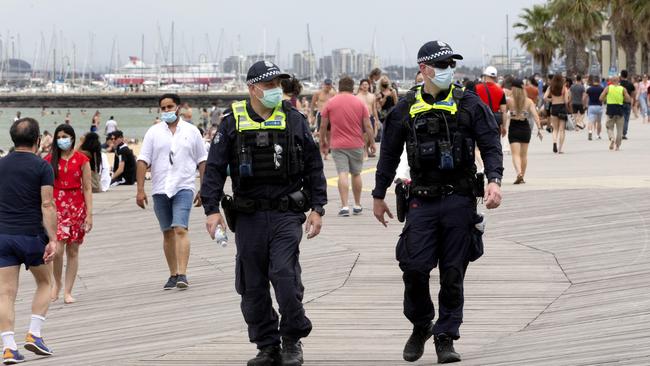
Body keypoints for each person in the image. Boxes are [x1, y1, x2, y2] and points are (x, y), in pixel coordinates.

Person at [372, 40, 503, 364]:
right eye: (441, 65)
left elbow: (490, 143)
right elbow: (388, 153)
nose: (448, 70)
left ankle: (446, 336)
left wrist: (494, 181)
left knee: (453, 273)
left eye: (450, 65)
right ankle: (421, 324)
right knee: (414, 267)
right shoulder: (405, 107)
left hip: (459, 199)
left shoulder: (469, 103)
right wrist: (378, 194)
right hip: (421, 200)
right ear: (424, 69)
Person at [201, 60, 327, 366]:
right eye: (269, 85)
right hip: (248, 216)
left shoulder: (293, 118)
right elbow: (215, 167)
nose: (275, 90)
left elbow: (313, 164)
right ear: (252, 88)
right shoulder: (232, 121)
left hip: (286, 213)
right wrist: (211, 209)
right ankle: (267, 345)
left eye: (278, 85)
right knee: (252, 285)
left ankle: (292, 338)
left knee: (284, 275)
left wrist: (318, 208)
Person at [0, 118, 57, 364]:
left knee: (5, 293)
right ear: (37, 140)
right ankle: (34, 333)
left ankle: (9, 347)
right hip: (32, 236)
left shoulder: (1, 164)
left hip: (3, 236)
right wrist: (53, 239)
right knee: (46, 282)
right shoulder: (42, 166)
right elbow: (47, 204)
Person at [136, 93, 208, 290]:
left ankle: (183, 273)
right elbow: (143, 160)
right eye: (164, 108)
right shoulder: (153, 132)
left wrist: (204, 188)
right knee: (167, 232)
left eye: (170, 107)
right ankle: (173, 273)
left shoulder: (192, 131)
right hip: (160, 188)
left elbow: (202, 161)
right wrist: (140, 189)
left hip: (183, 185)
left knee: (180, 228)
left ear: (178, 107)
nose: (167, 111)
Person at [44, 124, 93, 304]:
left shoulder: (82, 160)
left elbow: (87, 188)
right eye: (59, 137)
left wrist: (90, 214)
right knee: (57, 250)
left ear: (72, 137)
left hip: (77, 206)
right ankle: (56, 284)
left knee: (73, 250)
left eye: (65, 136)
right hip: (57, 206)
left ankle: (68, 290)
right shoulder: (50, 159)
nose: (61, 140)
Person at [320, 76, 375, 217]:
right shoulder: (360, 102)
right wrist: (373, 143)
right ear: (352, 87)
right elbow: (368, 125)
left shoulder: (330, 103)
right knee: (356, 174)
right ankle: (357, 204)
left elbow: (323, 125)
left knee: (342, 173)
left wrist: (323, 142)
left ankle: (344, 206)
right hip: (356, 143)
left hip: (338, 144)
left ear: (339, 87)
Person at [504, 79, 542, 184]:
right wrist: (539, 128)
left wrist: (502, 126)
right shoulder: (529, 101)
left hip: (514, 127)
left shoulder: (509, 100)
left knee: (515, 154)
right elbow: (535, 115)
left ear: (513, 88)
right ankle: (522, 176)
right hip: (525, 128)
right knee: (524, 155)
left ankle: (519, 173)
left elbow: (503, 113)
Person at [600, 76, 632, 151]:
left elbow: (600, 98)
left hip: (610, 110)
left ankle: (611, 138)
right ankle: (617, 146)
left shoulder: (608, 88)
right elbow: (628, 99)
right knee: (620, 129)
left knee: (609, 126)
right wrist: (622, 98)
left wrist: (606, 98)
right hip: (620, 110)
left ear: (611, 81)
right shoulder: (623, 89)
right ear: (618, 81)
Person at [475, 66, 507, 136]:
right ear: (495, 77)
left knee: (480, 145)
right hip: (495, 123)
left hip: (480, 122)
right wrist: (504, 127)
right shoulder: (501, 91)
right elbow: (504, 112)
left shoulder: (477, 88)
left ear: (485, 76)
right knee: (495, 145)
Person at [309, 79, 336, 159]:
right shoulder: (318, 93)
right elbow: (312, 105)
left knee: (329, 135)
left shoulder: (333, 94)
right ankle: (320, 151)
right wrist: (312, 116)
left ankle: (326, 153)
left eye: (329, 85)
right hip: (321, 114)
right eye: (326, 85)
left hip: (331, 115)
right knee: (321, 134)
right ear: (324, 85)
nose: (328, 87)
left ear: (331, 85)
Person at [544, 74, 570, 154]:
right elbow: (566, 101)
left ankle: (554, 142)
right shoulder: (564, 88)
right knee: (562, 130)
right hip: (562, 108)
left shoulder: (550, 88)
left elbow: (544, 98)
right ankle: (560, 149)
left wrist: (551, 100)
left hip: (554, 108)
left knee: (555, 129)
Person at [356, 79, 380, 156]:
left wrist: (376, 120)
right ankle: (365, 151)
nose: (365, 86)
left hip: (371, 116)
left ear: (369, 86)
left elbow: (374, 109)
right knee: (365, 135)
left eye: (366, 84)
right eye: (363, 85)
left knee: (372, 135)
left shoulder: (372, 96)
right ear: (360, 86)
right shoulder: (357, 97)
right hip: (361, 117)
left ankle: (367, 149)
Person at [585, 75, 605, 140]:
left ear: (593, 81)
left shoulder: (589, 89)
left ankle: (590, 131)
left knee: (590, 121)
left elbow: (585, 97)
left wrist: (585, 104)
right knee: (599, 122)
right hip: (599, 106)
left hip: (591, 106)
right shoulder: (601, 88)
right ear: (599, 81)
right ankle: (598, 135)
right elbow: (603, 98)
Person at [619, 70, 635, 139]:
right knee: (626, 119)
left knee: (620, 119)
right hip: (628, 103)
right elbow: (633, 93)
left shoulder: (619, 84)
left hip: (620, 103)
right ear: (627, 75)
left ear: (621, 76)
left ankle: (620, 132)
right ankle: (624, 134)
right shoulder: (630, 84)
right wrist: (633, 101)